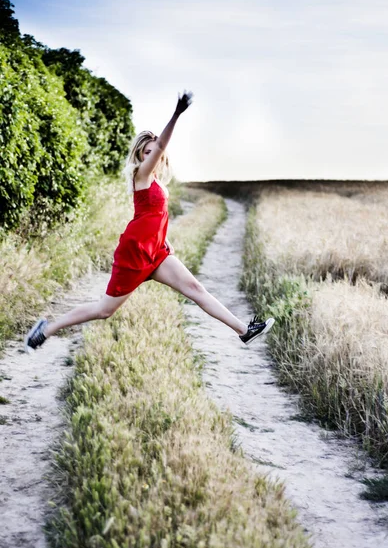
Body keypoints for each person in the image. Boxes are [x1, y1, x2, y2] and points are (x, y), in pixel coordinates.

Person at [24, 90, 275, 354]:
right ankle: (45, 331)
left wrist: (163, 239)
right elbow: (161, 151)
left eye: (153, 151)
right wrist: (176, 114)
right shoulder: (141, 175)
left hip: (156, 252)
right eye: (147, 152)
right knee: (104, 310)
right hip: (135, 251)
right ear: (141, 155)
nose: (152, 155)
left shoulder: (155, 181)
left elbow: (152, 215)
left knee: (195, 288)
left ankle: (245, 331)